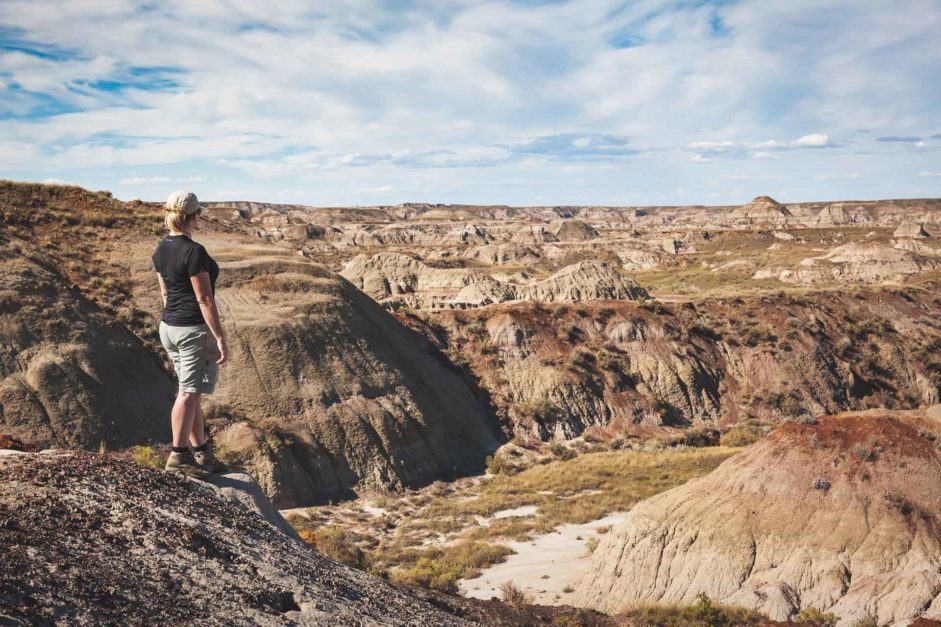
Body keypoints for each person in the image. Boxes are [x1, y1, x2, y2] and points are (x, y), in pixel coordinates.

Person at [152, 190, 228, 478]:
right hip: (191, 330)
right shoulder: (194, 252)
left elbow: (163, 292)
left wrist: (174, 317)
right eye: (199, 214)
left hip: (169, 327)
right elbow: (204, 299)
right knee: (188, 392)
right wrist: (218, 336)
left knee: (191, 392)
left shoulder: (161, 249)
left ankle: (202, 454)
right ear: (193, 216)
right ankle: (178, 456)